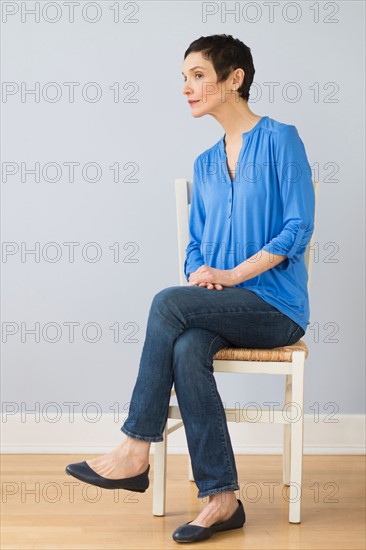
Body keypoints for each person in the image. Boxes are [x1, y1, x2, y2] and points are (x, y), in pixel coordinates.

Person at [66, 34, 315, 544]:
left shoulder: (280, 139)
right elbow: (196, 248)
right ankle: (222, 500)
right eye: (184, 77)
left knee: (166, 302)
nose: (186, 87)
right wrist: (207, 274)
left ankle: (136, 448)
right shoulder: (204, 164)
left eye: (198, 75)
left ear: (235, 78)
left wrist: (230, 276)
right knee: (184, 345)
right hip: (223, 306)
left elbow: (298, 228)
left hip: (276, 307)